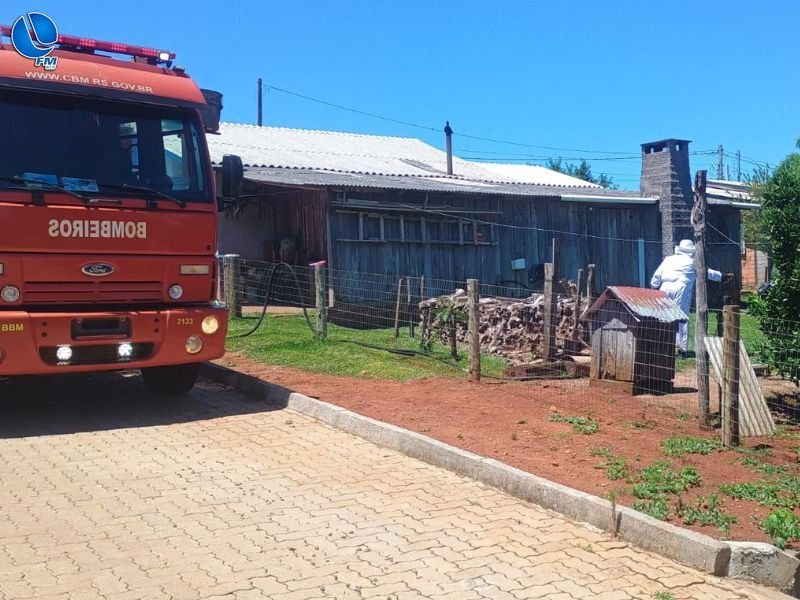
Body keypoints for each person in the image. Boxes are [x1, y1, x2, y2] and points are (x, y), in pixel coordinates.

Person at [650, 239, 733, 356]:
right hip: (681, 288)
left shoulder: (668, 259)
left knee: (664, 316)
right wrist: (722, 276)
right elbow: (706, 272)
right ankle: (682, 349)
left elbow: (657, 276)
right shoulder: (693, 262)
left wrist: (654, 287)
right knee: (682, 317)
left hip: (664, 288)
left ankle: (664, 345)